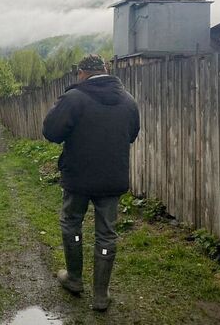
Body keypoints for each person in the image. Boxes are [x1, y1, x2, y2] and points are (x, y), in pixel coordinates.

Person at [42, 54, 140, 311]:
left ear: (83, 73)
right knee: (106, 233)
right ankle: (100, 295)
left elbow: (50, 132)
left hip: (78, 178)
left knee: (71, 223)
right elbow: (132, 134)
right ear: (105, 70)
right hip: (112, 178)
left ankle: (74, 279)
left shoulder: (74, 98)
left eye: (78, 74)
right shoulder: (128, 101)